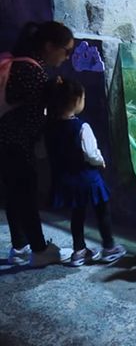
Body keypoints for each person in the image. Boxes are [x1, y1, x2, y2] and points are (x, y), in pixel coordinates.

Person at [1, 21, 75, 267]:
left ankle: (19, 246)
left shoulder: (18, 63)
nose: (67, 57)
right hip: (17, 144)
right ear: (49, 46)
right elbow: (35, 116)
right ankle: (40, 249)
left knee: (13, 194)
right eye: (66, 51)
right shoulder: (33, 71)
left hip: (5, 142)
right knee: (26, 194)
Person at [45, 78, 126, 266]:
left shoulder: (50, 127)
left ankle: (79, 251)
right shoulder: (82, 127)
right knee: (102, 211)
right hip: (87, 177)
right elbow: (90, 152)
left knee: (77, 214)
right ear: (75, 101)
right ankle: (109, 247)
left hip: (67, 178)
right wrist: (100, 160)